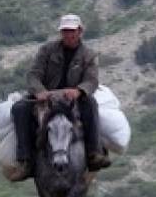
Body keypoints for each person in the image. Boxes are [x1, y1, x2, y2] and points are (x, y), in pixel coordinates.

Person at [10, 13, 111, 181]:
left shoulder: (88, 55)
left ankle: (94, 153)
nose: (68, 35)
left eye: (72, 31)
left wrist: (79, 91)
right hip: (47, 98)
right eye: (65, 31)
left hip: (73, 99)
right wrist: (39, 91)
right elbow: (33, 74)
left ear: (79, 31)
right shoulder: (46, 50)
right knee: (19, 108)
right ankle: (25, 160)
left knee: (91, 104)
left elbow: (91, 80)